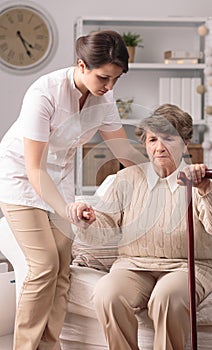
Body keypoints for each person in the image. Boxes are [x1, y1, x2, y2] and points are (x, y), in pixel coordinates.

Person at [0, 30, 145, 350]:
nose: (109, 87)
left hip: (59, 180)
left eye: (116, 80)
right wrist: (66, 207)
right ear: (82, 65)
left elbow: (122, 151)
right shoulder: (44, 93)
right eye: (104, 77)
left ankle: (50, 346)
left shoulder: (103, 98)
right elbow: (34, 168)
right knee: (45, 265)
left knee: (63, 271)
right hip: (21, 179)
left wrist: (161, 175)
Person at [69, 103, 212, 350]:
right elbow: (105, 226)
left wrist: (205, 189)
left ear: (185, 143)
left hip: (190, 266)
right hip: (134, 264)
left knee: (167, 297)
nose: (159, 147)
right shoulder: (126, 179)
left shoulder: (199, 178)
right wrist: (89, 219)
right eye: (152, 139)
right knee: (108, 294)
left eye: (168, 138)